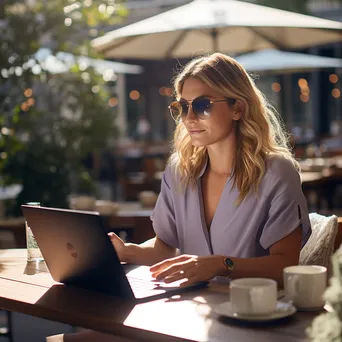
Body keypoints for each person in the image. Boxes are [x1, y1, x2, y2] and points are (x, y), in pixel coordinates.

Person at [49, 52, 311, 342]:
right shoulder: (180, 171)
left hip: (248, 321)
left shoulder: (276, 171)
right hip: (184, 312)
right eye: (182, 107)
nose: (189, 118)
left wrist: (219, 264)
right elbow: (165, 252)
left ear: (238, 108)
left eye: (202, 105)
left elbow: (284, 266)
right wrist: (126, 252)